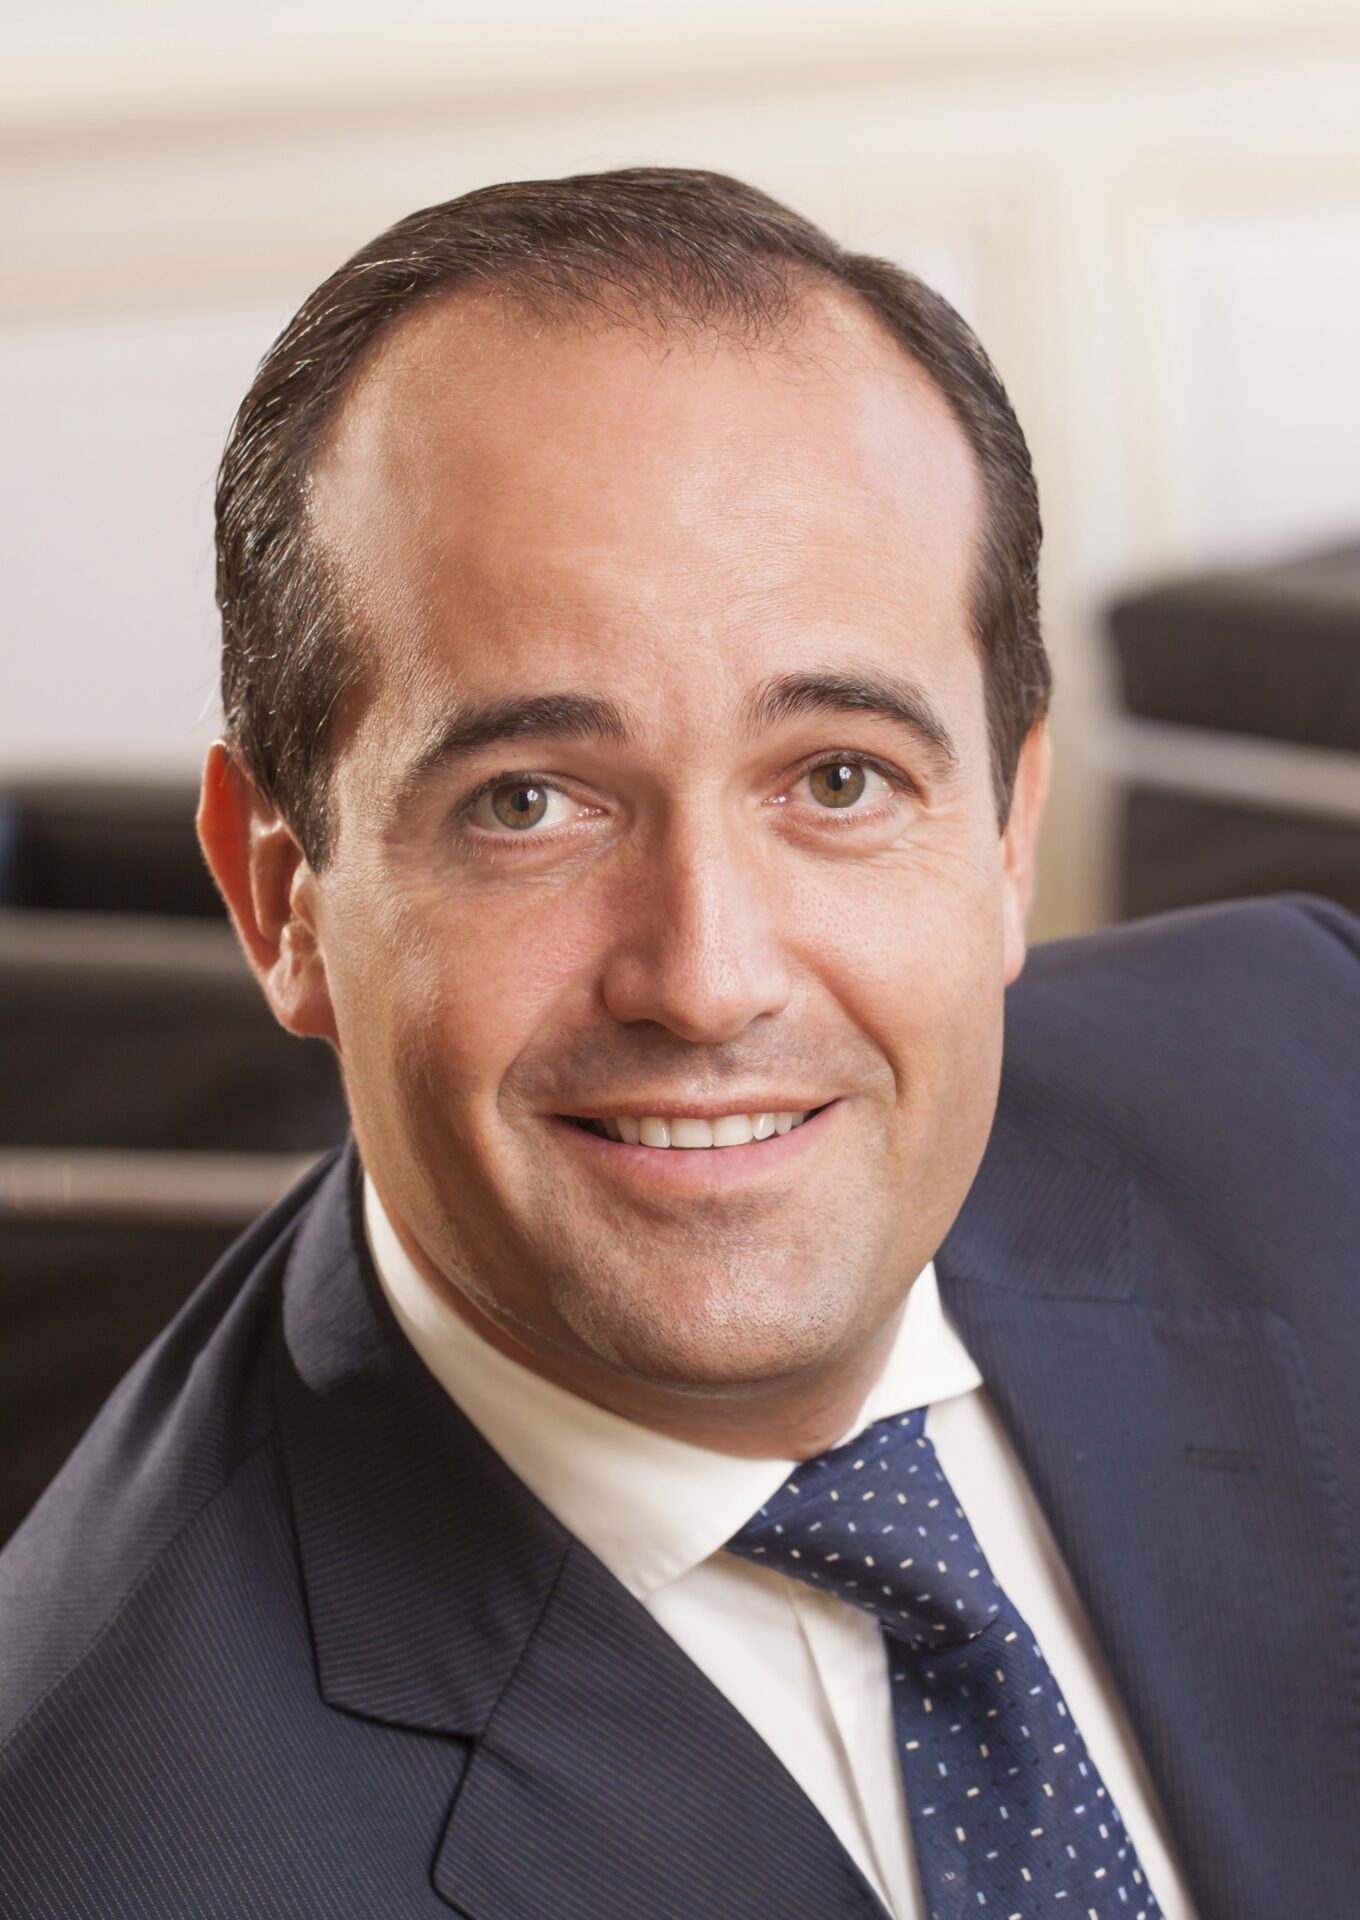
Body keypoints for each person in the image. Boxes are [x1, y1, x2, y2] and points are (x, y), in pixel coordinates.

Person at [1, 169, 1356, 1920]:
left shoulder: (1308, 1067)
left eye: (840, 778)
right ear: (283, 898)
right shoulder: (110, 1853)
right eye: (528, 802)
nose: (708, 981)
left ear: (1011, 829)